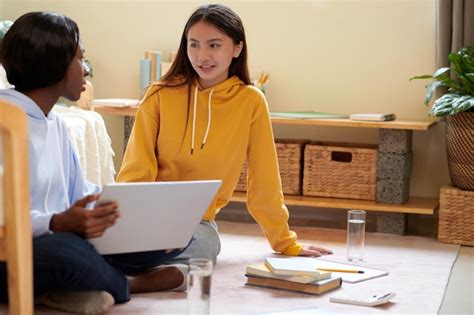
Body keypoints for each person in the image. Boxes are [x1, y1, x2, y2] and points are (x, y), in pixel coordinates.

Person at [0, 12, 187, 314]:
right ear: (54, 63)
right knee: (64, 252)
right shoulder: (5, 122)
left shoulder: (56, 123)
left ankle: (81, 285)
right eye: (80, 59)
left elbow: (80, 193)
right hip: (14, 251)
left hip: (63, 237)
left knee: (172, 234)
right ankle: (128, 283)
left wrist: (127, 215)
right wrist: (56, 223)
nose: (85, 70)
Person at [117, 4, 333, 265]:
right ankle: (143, 265)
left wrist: (284, 241)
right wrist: (129, 224)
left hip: (196, 223)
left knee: (204, 248)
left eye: (214, 45)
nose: (202, 55)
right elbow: (135, 171)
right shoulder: (158, 95)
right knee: (90, 247)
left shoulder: (250, 101)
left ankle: (139, 273)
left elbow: (264, 178)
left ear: (237, 48)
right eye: (193, 44)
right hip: (148, 216)